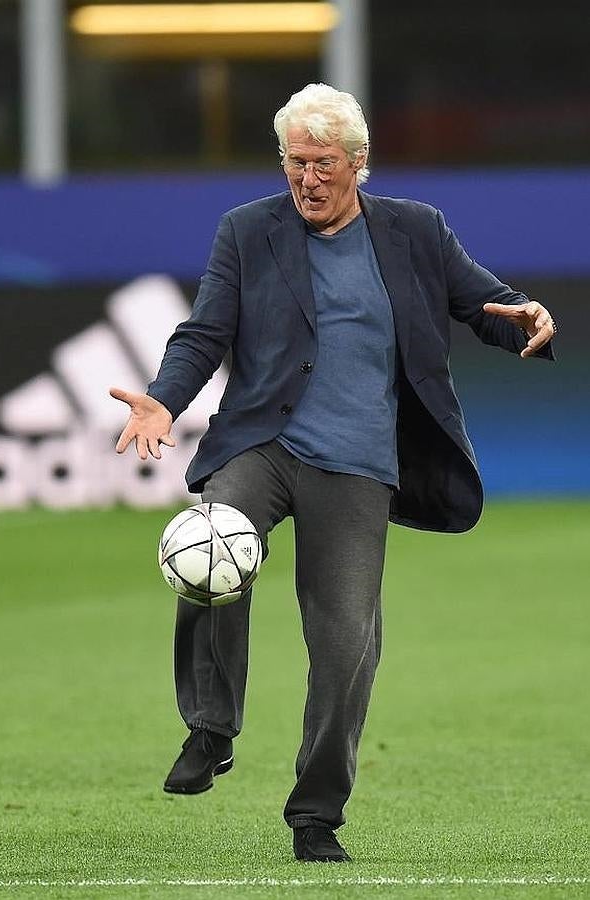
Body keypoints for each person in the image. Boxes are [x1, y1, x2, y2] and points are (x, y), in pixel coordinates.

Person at [111, 83, 555, 863]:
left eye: (322, 163)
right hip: (264, 444)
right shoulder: (248, 232)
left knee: (347, 644)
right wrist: (162, 400)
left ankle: (315, 815)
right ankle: (211, 729)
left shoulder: (417, 231)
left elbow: (483, 302)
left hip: (358, 463)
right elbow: (205, 330)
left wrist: (526, 316)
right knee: (210, 545)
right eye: (294, 161)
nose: (306, 179)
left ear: (358, 164)